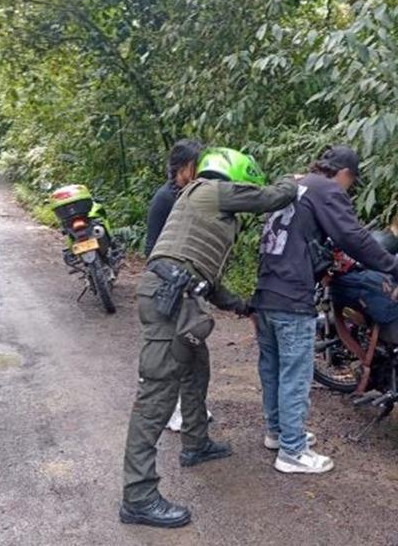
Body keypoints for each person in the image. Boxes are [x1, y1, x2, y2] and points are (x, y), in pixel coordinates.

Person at [120, 148, 298, 528]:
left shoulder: (202, 206)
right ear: (233, 176)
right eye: (245, 183)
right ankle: (138, 496)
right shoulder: (212, 191)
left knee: (196, 369)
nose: (245, 190)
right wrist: (293, 182)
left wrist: (240, 305)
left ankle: (196, 443)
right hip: (168, 302)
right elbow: (274, 197)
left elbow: (205, 278)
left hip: (180, 296)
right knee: (156, 396)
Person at [251, 144, 398, 474]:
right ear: (345, 174)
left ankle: (279, 433)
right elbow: (353, 237)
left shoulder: (293, 183)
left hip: (265, 292)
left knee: (273, 367)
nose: (348, 189)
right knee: (296, 374)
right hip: (292, 295)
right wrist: (396, 269)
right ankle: (292, 452)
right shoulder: (327, 188)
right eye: (351, 182)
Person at [144, 139, 211, 432]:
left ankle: (191, 408)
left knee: (191, 349)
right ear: (184, 167)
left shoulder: (187, 194)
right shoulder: (167, 198)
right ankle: (174, 412)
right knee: (175, 352)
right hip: (167, 284)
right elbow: (152, 249)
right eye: (198, 166)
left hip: (185, 284)